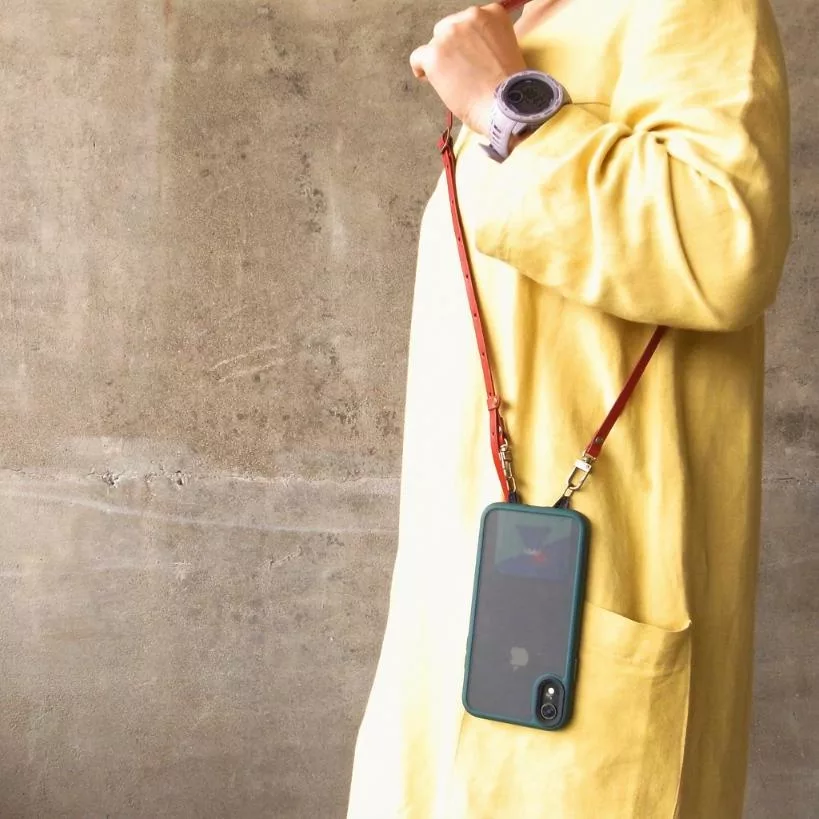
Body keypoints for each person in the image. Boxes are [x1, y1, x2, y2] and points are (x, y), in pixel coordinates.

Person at [346, 0, 791, 816]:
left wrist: (505, 103)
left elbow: (725, 246)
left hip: (582, 644)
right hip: (466, 623)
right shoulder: (529, 25)